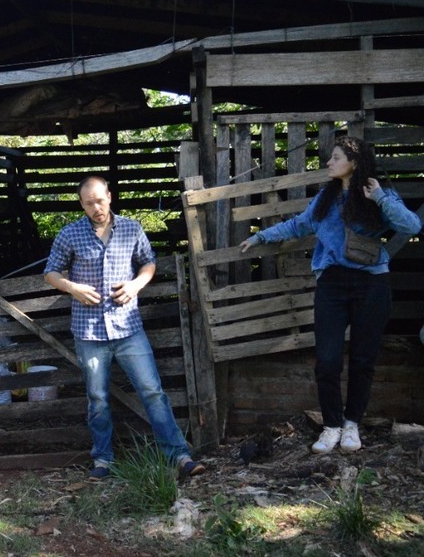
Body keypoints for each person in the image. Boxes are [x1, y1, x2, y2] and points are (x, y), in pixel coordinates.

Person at [240, 135, 421, 454]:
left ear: (353, 162)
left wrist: (380, 197)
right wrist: (260, 237)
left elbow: (412, 225)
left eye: (336, 157)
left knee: (364, 359)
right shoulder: (326, 197)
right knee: (327, 360)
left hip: (371, 284)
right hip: (332, 285)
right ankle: (331, 426)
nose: (329, 162)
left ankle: (352, 425)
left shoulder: (377, 193)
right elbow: (298, 226)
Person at [45, 176, 204, 481]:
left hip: (128, 326)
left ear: (109, 196)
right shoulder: (69, 234)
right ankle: (103, 460)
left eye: (100, 200)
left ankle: (179, 456)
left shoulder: (131, 228)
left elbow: (148, 263)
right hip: (89, 330)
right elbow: (50, 272)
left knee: (152, 391)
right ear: (81, 204)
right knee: (98, 398)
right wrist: (72, 288)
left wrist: (136, 284)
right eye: (88, 203)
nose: (96, 207)